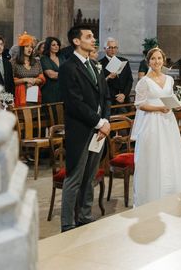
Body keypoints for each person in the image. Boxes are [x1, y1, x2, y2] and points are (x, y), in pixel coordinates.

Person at [58, 25, 111, 232]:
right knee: (74, 178)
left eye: (93, 36)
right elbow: (74, 103)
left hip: (99, 130)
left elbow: (105, 96)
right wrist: (99, 122)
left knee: (89, 177)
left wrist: (106, 121)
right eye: (89, 37)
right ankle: (68, 223)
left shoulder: (95, 65)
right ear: (76, 41)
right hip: (81, 130)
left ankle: (85, 216)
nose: (93, 39)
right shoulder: (68, 68)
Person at [132, 47, 181, 207]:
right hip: (151, 122)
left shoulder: (169, 79)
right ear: (148, 61)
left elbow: (170, 98)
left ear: (163, 60)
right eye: (153, 59)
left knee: (169, 153)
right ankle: (151, 194)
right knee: (153, 155)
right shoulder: (143, 82)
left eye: (159, 58)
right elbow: (139, 105)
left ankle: (170, 190)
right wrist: (159, 108)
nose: (156, 61)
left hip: (167, 122)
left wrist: (178, 104)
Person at [11, 32, 46, 107]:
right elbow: (10, 81)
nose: (30, 49)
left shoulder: (36, 61)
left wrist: (34, 81)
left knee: (35, 117)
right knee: (23, 117)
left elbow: (42, 78)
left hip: (34, 94)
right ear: (21, 48)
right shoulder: (13, 62)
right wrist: (25, 80)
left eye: (31, 47)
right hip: (20, 95)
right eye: (27, 46)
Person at [99, 37, 134, 108]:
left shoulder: (124, 61)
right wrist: (108, 77)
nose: (113, 50)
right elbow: (99, 84)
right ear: (105, 48)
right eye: (110, 47)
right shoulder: (99, 64)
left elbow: (130, 80)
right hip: (109, 100)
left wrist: (124, 94)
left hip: (124, 99)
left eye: (115, 47)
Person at [40, 37, 65, 104]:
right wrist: (66, 74)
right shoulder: (44, 59)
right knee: (51, 112)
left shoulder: (62, 58)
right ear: (48, 46)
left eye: (57, 44)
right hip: (50, 91)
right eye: (53, 45)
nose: (56, 46)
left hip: (63, 90)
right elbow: (51, 75)